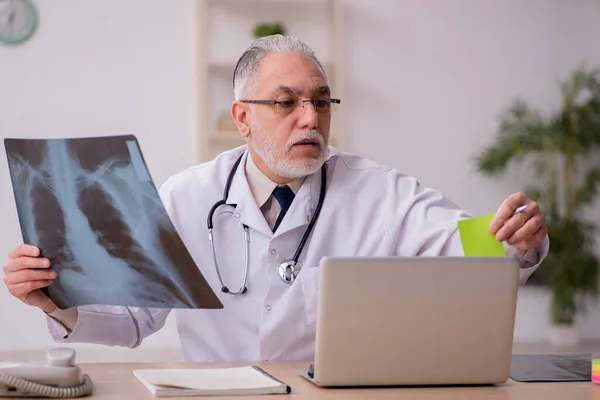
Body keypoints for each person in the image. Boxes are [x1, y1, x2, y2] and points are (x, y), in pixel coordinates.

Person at [3, 35, 549, 363]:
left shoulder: (380, 191)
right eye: (286, 103)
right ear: (242, 117)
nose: (310, 118)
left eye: (320, 101)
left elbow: (467, 245)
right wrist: (56, 301)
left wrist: (514, 243)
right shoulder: (187, 196)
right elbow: (135, 320)